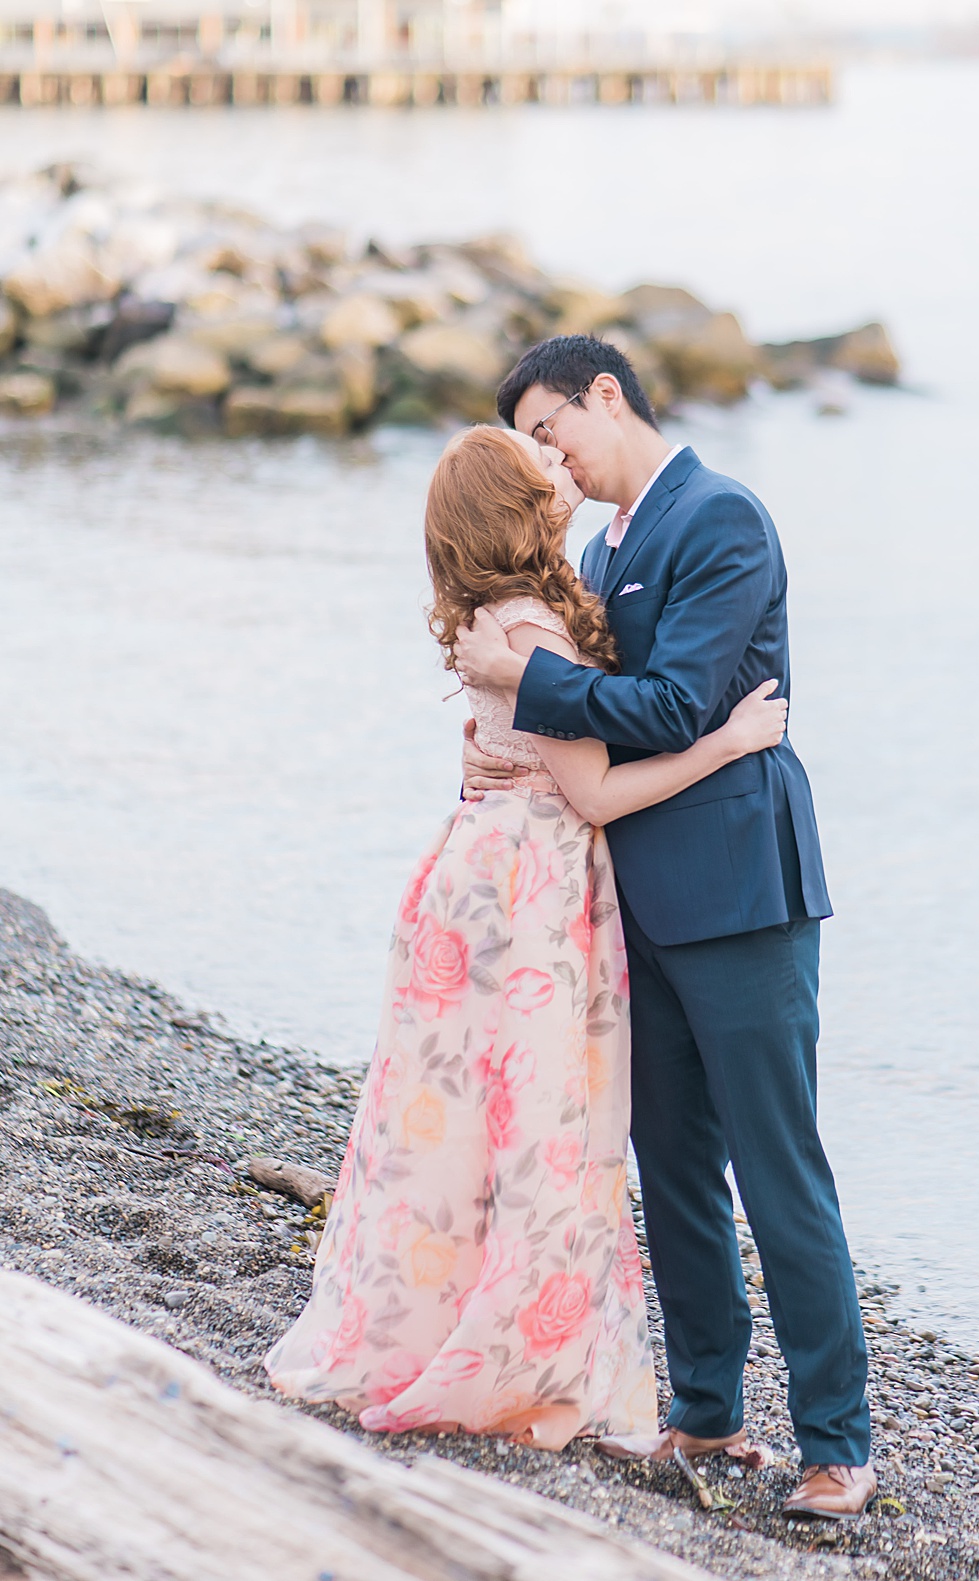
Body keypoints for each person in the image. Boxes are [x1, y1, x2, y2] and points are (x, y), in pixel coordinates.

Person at [266, 425, 790, 1447]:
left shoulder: (499, 618)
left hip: (475, 876)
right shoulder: (535, 630)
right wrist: (726, 742)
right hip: (531, 892)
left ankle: (434, 1319)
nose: (559, 465)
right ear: (519, 505)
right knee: (543, 1126)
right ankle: (514, 1352)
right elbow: (592, 794)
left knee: (452, 1119)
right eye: (537, 460)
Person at [451, 336, 876, 1519]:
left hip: (742, 895)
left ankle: (840, 1442)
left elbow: (680, 704)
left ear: (605, 395)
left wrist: (521, 679)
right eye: (529, 447)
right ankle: (708, 1411)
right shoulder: (601, 547)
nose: (550, 460)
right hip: (633, 897)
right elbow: (636, 726)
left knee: (778, 1166)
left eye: (552, 431)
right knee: (673, 1166)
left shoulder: (721, 517)